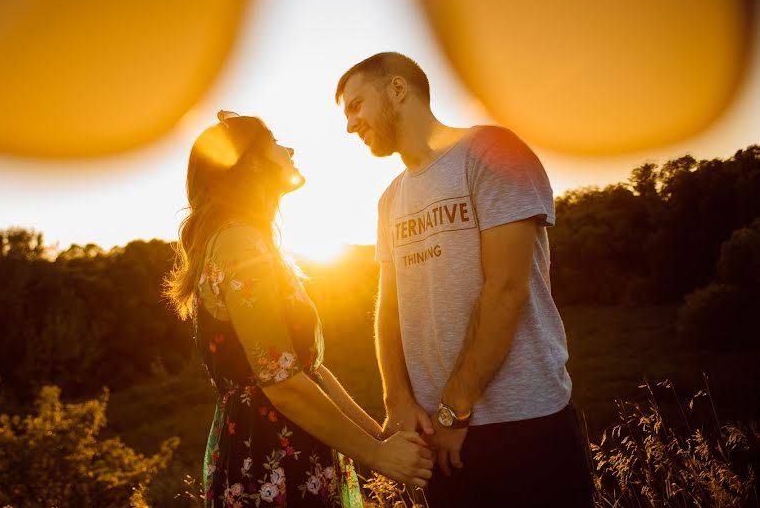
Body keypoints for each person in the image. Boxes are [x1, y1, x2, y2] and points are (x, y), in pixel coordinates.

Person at [335, 52, 595, 507]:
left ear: (398, 89)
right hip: (439, 439)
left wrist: (456, 407)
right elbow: (390, 308)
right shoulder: (389, 199)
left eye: (357, 105)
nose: (350, 125)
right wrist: (397, 399)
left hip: (525, 424)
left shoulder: (493, 153)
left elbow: (506, 289)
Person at [165, 111, 433, 507]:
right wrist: (377, 455)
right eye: (274, 141)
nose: (288, 149)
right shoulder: (239, 241)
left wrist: (379, 440)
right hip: (269, 456)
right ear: (251, 164)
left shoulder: (251, 240)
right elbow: (282, 383)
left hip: (289, 445)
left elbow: (310, 372)